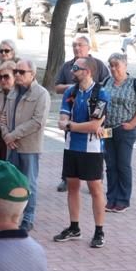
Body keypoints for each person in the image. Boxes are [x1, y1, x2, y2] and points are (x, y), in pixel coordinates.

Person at [53, 57, 109, 248]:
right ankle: (74, 227)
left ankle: (99, 231)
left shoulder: (101, 93)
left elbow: (94, 125)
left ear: (87, 71)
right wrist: (72, 125)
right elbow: (62, 120)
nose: (72, 71)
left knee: (95, 188)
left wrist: (71, 125)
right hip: (71, 147)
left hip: (92, 149)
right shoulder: (70, 91)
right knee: (72, 186)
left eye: (76, 68)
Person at [52, 35, 110, 192]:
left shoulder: (98, 65)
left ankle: (97, 178)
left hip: (96, 132)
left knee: (95, 183)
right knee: (73, 182)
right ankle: (66, 179)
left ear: (88, 47)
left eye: (80, 45)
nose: (77, 48)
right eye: (74, 45)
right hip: (73, 128)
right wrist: (73, 88)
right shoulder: (67, 67)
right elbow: (57, 87)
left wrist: (71, 125)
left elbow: (107, 85)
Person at [1, 60, 51, 234]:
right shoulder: (13, 92)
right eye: (16, 71)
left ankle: (28, 218)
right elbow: (3, 117)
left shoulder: (41, 94)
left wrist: (13, 135)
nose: (17, 75)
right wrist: (6, 135)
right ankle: (12, 216)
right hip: (11, 145)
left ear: (33, 74)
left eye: (22, 72)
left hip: (29, 147)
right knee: (12, 182)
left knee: (29, 183)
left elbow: (38, 121)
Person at [102, 52, 136, 213]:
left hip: (125, 130)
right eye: (111, 66)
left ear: (125, 66)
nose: (113, 69)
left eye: (117, 65)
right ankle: (111, 198)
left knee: (123, 164)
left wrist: (132, 124)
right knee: (110, 165)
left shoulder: (134, 83)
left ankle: (122, 200)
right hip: (107, 129)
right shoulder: (106, 82)